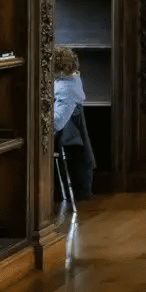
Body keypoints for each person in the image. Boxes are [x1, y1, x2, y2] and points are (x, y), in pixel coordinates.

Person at [53, 45, 94, 200]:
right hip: (69, 140)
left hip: (65, 141)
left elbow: (57, 122)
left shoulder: (66, 88)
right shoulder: (70, 81)